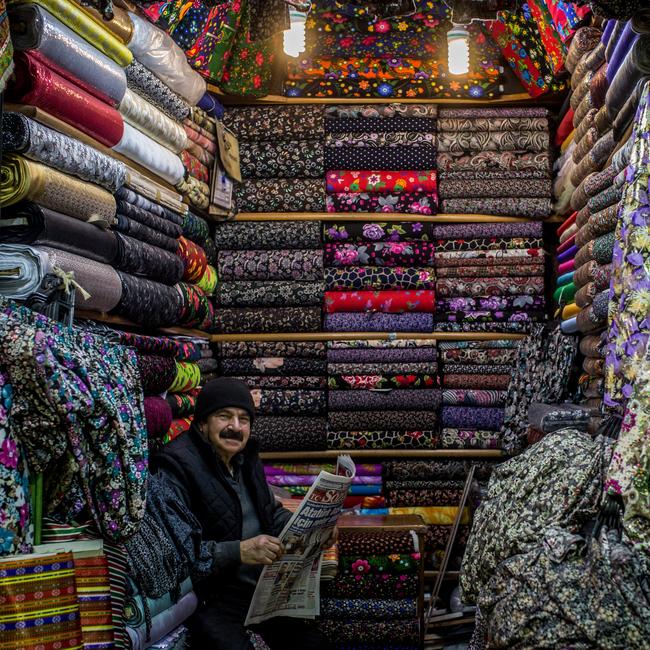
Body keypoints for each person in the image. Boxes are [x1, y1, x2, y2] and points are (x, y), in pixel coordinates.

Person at [154, 377, 330, 650]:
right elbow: (177, 551)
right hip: (211, 597)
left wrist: (312, 527)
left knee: (313, 644)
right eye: (224, 416)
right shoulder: (177, 465)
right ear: (202, 422)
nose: (235, 427)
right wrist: (239, 551)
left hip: (259, 591)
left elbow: (270, 513)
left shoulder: (246, 457)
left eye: (243, 419)